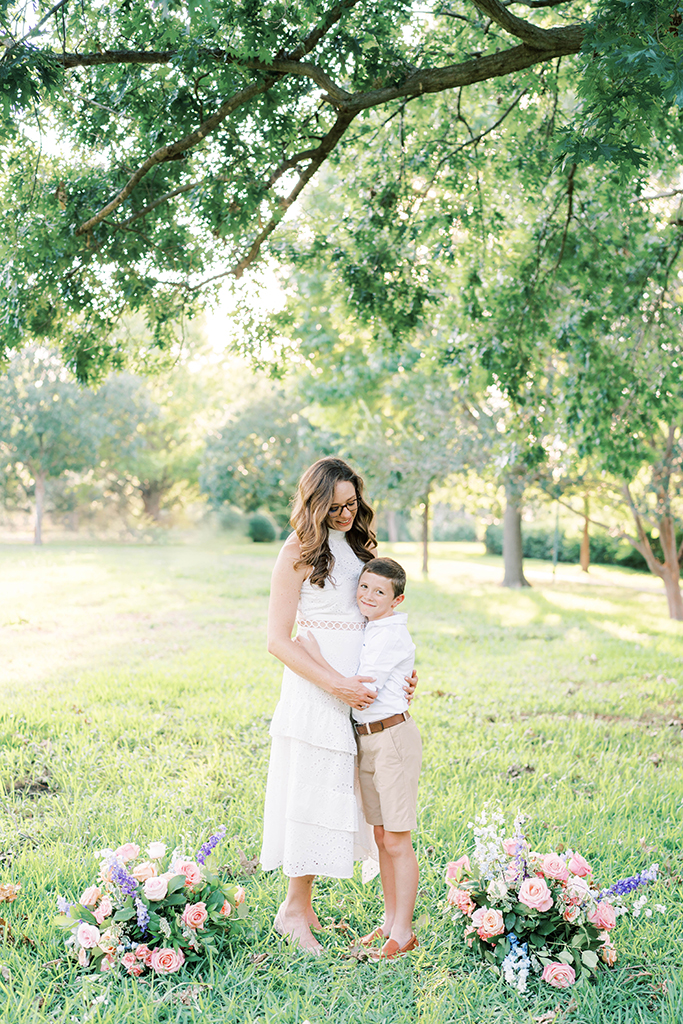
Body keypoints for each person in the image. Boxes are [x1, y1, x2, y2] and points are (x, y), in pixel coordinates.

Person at [260, 457, 417, 954]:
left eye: (352, 504)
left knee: (342, 794)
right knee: (312, 789)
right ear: (315, 503)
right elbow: (276, 640)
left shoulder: (359, 546)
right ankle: (292, 908)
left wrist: (397, 676)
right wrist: (336, 685)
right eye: (335, 507)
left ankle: (306, 909)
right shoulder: (296, 552)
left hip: (362, 700)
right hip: (317, 691)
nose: (346, 514)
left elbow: (380, 614)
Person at [297, 557, 421, 960]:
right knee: (382, 837)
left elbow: (363, 690)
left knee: (398, 840)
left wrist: (314, 658)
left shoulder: (389, 635)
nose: (367, 596)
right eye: (364, 587)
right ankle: (388, 923)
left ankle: (403, 932)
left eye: (379, 592)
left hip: (391, 740)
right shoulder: (374, 627)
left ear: (396, 599)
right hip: (368, 740)